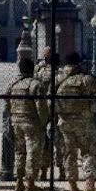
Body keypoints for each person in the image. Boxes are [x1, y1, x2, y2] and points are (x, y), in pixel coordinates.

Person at [56, 52, 96, 191]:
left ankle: (73, 187)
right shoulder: (86, 79)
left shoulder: (58, 79)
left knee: (69, 153)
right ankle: (89, 184)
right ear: (79, 63)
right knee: (89, 151)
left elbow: (49, 99)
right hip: (84, 121)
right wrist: (91, 103)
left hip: (64, 121)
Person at [5, 57, 46, 191]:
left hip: (16, 121)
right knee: (33, 152)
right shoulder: (35, 84)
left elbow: (6, 104)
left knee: (20, 152)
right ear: (32, 69)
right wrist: (44, 122)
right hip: (31, 122)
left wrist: (10, 120)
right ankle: (30, 183)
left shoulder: (13, 84)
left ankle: (19, 181)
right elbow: (41, 107)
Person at [35, 52, 65, 182]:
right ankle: (62, 171)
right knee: (60, 141)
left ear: (47, 61)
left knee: (44, 141)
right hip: (58, 109)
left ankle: (43, 171)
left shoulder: (40, 73)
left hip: (43, 109)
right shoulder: (62, 75)